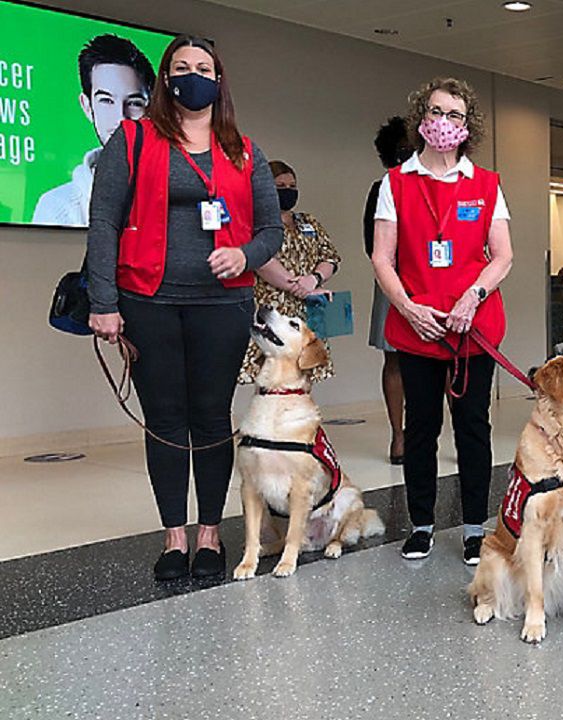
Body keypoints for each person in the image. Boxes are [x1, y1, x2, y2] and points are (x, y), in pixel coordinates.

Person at [85, 35, 284, 580]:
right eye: (181, 66)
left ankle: (211, 535)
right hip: (147, 300)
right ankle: (175, 537)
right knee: (166, 422)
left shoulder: (244, 150)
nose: (192, 75)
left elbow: (271, 232)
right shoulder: (131, 140)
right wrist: (103, 301)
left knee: (211, 419)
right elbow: (103, 223)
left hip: (222, 305)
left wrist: (243, 254)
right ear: (165, 79)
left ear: (218, 81)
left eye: (203, 67)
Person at [370, 77, 513, 566]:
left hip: (472, 329)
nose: (444, 123)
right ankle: (422, 524)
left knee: (474, 426)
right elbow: (382, 258)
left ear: (467, 125)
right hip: (420, 328)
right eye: (436, 112)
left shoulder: (487, 184)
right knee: (422, 428)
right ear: (421, 118)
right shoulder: (395, 183)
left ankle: (475, 527)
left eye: (455, 115)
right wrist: (409, 308)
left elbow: (503, 256)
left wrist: (473, 298)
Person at [33, 34, 155, 226]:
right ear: (87, 106)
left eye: (134, 103)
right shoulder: (57, 208)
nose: (121, 118)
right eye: (106, 100)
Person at [238, 160, 341, 384]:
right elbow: (261, 259)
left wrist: (314, 279)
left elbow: (330, 257)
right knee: (272, 379)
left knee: (305, 374)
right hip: (273, 310)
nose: (288, 191)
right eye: (280, 186)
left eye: (292, 186)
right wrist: (299, 288)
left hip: (308, 309)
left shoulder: (308, 222)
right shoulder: (255, 224)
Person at [364, 117, 415, 465]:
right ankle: (399, 437)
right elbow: (373, 245)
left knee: (442, 363)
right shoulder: (383, 188)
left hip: (424, 283)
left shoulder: (437, 185)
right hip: (396, 279)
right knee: (395, 359)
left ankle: (409, 437)